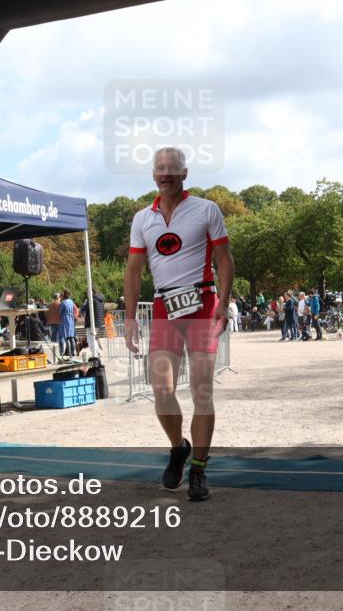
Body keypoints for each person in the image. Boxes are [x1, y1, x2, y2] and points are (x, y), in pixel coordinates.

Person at [123, 146, 234, 501]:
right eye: (160, 169)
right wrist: (128, 319)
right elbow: (133, 271)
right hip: (164, 305)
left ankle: (199, 470)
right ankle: (178, 448)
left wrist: (224, 301)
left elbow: (225, 259)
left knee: (202, 390)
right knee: (162, 388)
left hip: (202, 303)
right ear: (153, 175)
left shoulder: (206, 209)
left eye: (173, 169)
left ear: (185, 174)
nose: (166, 174)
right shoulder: (143, 219)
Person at [58, 289, 78, 356]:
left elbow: (60, 312)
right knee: (71, 337)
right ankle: (73, 352)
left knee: (66, 337)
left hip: (65, 319)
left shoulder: (63, 302)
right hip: (71, 319)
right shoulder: (71, 301)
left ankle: (69, 353)